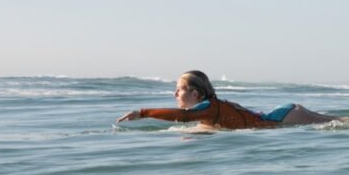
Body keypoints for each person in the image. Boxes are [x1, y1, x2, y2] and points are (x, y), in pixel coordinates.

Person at [117, 70, 335, 130]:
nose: (175, 95)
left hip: (283, 119)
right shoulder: (207, 112)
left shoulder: (208, 107)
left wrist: (143, 112)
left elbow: (182, 117)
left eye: (179, 89)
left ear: (195, 94)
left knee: (347, 124)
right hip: (285, 113)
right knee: (346, 121)